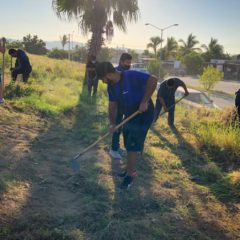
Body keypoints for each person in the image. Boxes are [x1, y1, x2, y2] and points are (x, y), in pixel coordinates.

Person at [96, 62, 157, 189]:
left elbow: (153, 80)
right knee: (127, 140)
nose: (103, 81)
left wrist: (145, 101)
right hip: (129, 113)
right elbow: (112, 105)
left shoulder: (130, 75)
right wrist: (113, 123)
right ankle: (129, 169)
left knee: (132, 144)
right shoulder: (111, 87)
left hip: (143, 112)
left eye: (103, 79)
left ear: (108, 74)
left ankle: (130, 175)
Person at [109, 53, 132, 159]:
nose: (129, 64)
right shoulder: (115, 72)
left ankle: (117, 147)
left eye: (130, 62)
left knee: (123, 126)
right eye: (127, 62)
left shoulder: (127, 72)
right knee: (117, 126)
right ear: (121, 61)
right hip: (117, 104)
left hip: (126, 104)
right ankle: (113, 149)